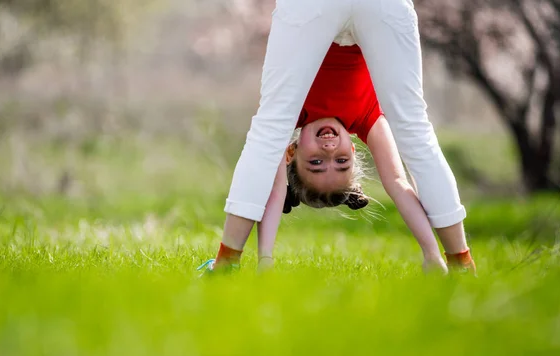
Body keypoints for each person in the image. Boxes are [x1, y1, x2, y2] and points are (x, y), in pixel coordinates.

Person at [199, 0, 477, 275]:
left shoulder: (294, 115)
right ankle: (460, 263)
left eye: (316, 162)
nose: (329, 148)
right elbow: (396, 183)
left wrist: (266, 259)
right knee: (415, 129)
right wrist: (430, 254)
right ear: (354, 152)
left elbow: (275, 189)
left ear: (291, 153)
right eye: (341, 161)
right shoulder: (367, 118)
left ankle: (226, 263)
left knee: (268, 130)